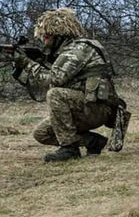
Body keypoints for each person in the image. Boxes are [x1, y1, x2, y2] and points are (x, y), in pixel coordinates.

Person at [12, 8, 126, 162]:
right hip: (86, 107)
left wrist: (26, 63)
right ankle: (93, 142)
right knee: (41, 133)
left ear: (58, 35)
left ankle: (69, 149)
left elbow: (53, 80)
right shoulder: (68, 50)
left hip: (98, 109)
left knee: (55, 94)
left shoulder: (78, 49)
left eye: (46, 36)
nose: (43, 41)